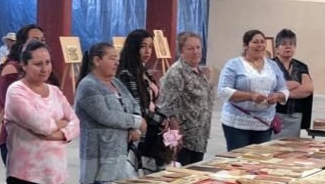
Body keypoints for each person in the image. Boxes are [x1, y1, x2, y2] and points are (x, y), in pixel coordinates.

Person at [4, 40, 80, 184]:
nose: (45, 69)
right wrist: (62, 123)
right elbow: (41, 125)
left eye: (47, 62)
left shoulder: (55, 91)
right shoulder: (17, 91)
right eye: (38, 64)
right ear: (24, 65)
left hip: (55, 172)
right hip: (26, 174)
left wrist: (58, 133)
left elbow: (75, 123)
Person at [75, 42, 143, 184]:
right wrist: (136, 121)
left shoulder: (116, 83)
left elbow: (134, 104)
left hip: (120, 161)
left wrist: (133, 127)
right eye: (112, 58)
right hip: (99, 162)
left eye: (117, 58)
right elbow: (107, 116)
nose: (116, 62)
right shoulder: (88, 86)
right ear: (97, 60)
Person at [218, 29, 290, 151]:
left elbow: (284, 90)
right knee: (238, 161)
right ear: (245, 45)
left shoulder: (272, 65)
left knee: (259, 161)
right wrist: (250, 96)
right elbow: (223, 91)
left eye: (262, 42)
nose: (260, 45)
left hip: (264, 123)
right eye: (255, 42)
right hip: (238, 122)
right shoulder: (233, 64)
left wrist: (277, 96)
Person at [158, 32, 216, 166]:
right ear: (181, 51)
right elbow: (166, 107)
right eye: (190, 48)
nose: (196, 52)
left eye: (198, 48)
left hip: (199, 138)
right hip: (182, 140)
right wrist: (174, 138)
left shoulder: (199, 71)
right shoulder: (176, 73)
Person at [0, 23, 45, 163]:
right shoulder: (12, 69)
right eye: (35, 39)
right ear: (22, 43)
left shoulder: (45, 70)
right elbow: (14, 108)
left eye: (42, 40)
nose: (40, 43)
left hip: (44, 141)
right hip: (18, 139)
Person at [117, 29, 165, 171]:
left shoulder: (143, 71)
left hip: (152, 129)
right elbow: (137, 108)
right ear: (133, 47)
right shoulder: (127, 74)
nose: (147, 51)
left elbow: (152, 102)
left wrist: (162, 116)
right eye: (143, 46)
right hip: (139, 132)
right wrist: (160, 120)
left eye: (150, 47)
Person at [273, 29, 315, 138]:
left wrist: (280, 93)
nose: (288, 47)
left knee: (291, 150)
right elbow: (269, 87)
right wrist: (296, 84)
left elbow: (308, 89)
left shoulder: (301, 66)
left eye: (291, 44)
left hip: (296, 115)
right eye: (284, 44)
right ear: (277, 48)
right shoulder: (269, 65)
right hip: (274, 115)